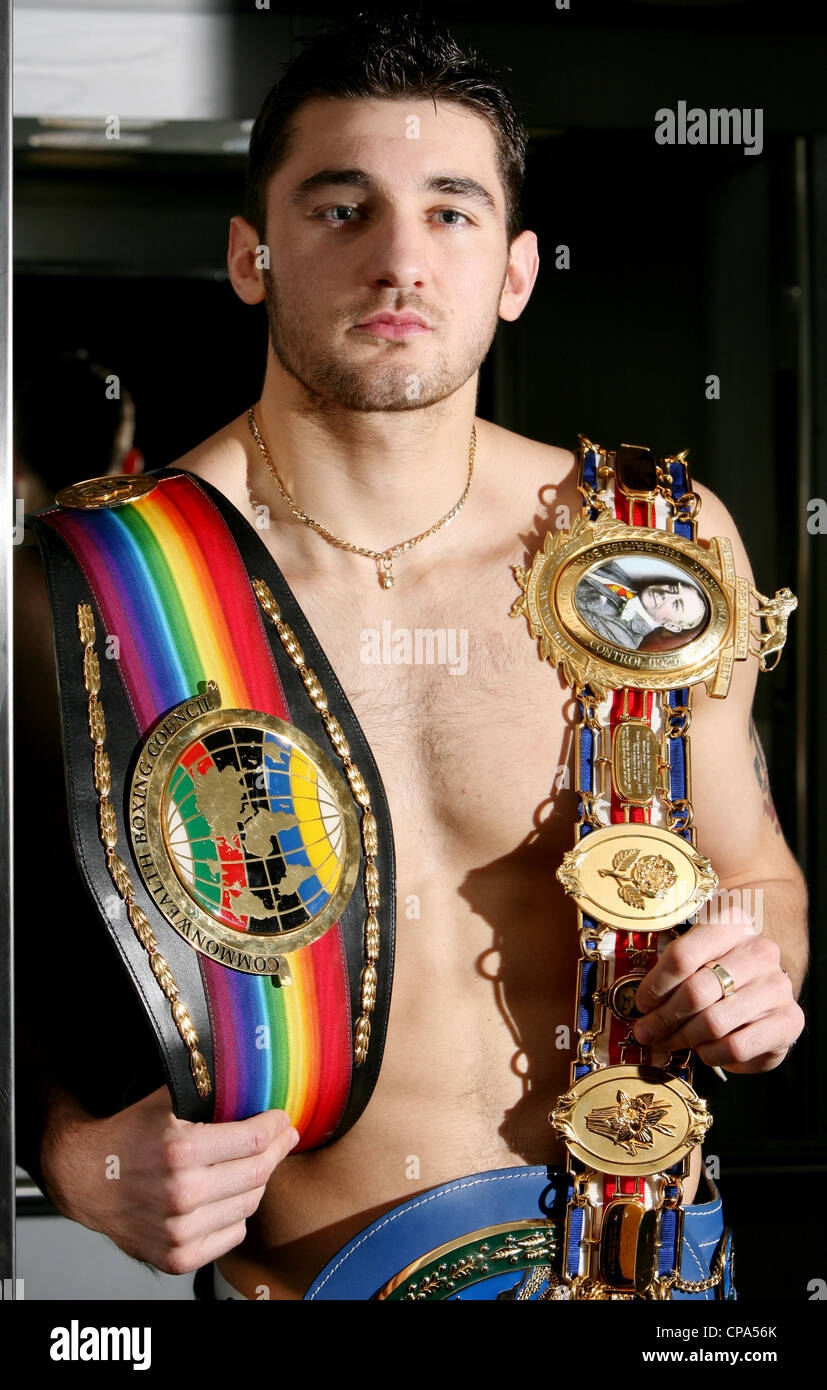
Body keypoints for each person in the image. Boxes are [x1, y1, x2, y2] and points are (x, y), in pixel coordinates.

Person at [16, 13, 807, 1301]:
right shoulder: (87, 590)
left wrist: (755, 979)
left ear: (515, 270)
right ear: (250, 256)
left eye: (449, 212)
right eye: (340, 210)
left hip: (655, 1279)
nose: (398, 261)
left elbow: (758, 879)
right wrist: (73, 1155)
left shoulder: (651, 540)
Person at [574, 559, 708, 650]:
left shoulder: (624, 641)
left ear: (671, 626)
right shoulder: (620, 574)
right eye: (673, 589)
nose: (665, 594)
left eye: (676, 604)